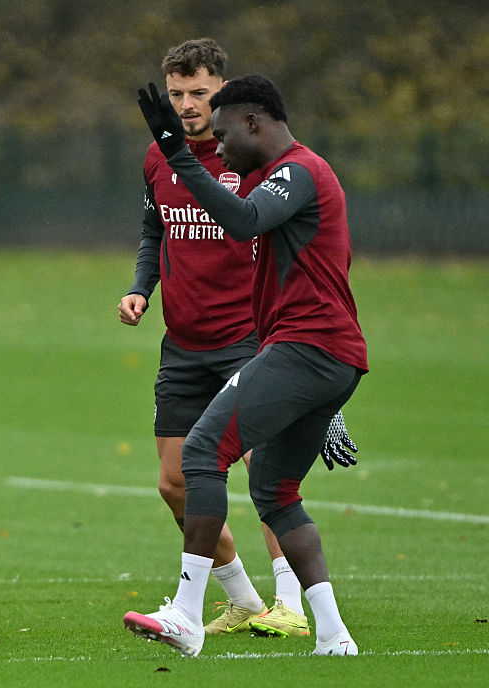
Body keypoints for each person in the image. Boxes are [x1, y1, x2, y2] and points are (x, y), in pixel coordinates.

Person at [118, 38, 356, 639]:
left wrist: (185, 157)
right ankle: (311, 627)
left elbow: (245, 220)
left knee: (223, 459)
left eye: (200, 95)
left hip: (270, 343)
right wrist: (143, 285)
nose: (188, 106)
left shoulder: (285, 170)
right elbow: (156, 228)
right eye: (177, 95)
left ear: (235, 107)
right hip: (204, 343)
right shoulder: (205, 163)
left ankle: (230, 609)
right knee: (225, 483)